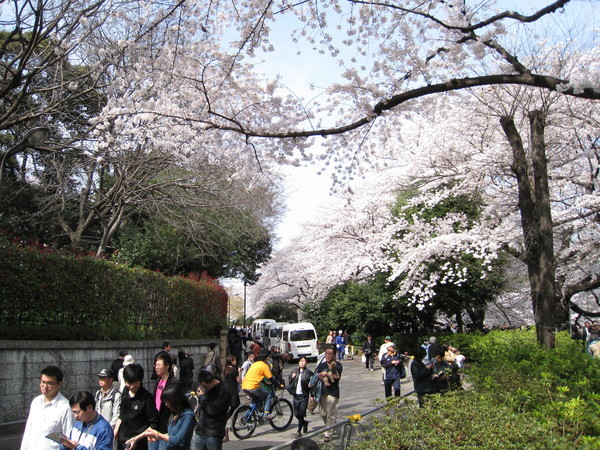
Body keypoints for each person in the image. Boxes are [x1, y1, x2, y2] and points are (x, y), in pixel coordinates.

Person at [21, 365, 74, 450]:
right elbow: (28, 431)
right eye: (43, 382)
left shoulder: (65, 407)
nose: (45, 386)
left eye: (50, 383)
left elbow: (69, 440)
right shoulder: (36, 402)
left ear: (59, 384)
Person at [129, 384, 196, 450]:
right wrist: (154, 435)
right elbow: (170, 434)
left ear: (175, 401)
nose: (166, 405)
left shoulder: (188, 416)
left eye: (167, 402)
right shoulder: (174, 414)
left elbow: (177, 440)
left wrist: (158, 435)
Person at [115, 364, 159, 450]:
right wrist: (116, 430)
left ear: (140, 380)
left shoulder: (147, 398)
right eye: (129, 383)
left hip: (139, 443)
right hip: (123, 440)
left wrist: (136, 439)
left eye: (135, 383)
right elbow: (122, 414)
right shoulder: (125, 391)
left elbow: (154, 423)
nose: (131, 386)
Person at [191, 369, 231, 450]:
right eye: (202, 387)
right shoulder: (204, 390)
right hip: (200, 431)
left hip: (213, 433)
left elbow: (212, 410)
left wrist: (202, 397)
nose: (205, 389)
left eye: (206, 387)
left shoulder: (224, 391)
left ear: (212, 381)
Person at [151, 353, 179, 450]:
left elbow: (177, 405)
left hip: (166, 424)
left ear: (167, 366)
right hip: (155, 423)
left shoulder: (173, 383)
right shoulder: (158, 381)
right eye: (155, 365)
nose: (156, 367)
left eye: (159, 365)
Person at [241, 349, 280, 418]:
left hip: (245, 386)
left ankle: (245, 417)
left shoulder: (254, 364)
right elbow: (271, 378)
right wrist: (278, 384)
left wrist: (265, 383)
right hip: (253, 386)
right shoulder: (264, 366)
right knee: (268, 395)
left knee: (255, 401)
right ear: (266, 358)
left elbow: (258, 377)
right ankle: (266, 413)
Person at [315, 348, 342, 443]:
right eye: (326, 354)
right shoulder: (321, 365)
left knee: (331, 413)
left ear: (334, 355)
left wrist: (328, 373)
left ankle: (328, 434)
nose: (327, 355)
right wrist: (319, 376)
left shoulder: (337, 365)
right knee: (323, 413)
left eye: (330, 354)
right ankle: (331, 424)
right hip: (322, 392)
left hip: (333, 392)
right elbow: (315, 375)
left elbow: (337, 377)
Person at [287, 356, 314, 439]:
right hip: (296, 395)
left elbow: (312, 385)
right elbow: (290, 382)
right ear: (298, 362)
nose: (302, 363)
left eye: (304, 361)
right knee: (296, 413)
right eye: (301, 361)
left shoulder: (309, 373)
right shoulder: (294, 371)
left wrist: (312, 395)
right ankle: (304, 423)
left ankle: (299, 431)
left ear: (306, 363)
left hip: (304, 395)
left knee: (301, 413)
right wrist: (292, 377)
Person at [222, 356, 240, 443]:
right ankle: (232, 424)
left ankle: (228, 422)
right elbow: (239, 380)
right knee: (235, 408)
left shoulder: (226, 369)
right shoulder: (233, 370)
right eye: (235, 360)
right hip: (233, 392)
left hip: (227, 392)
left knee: (232, 408)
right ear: (232, 361)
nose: (236, 361)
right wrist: (239, 372)